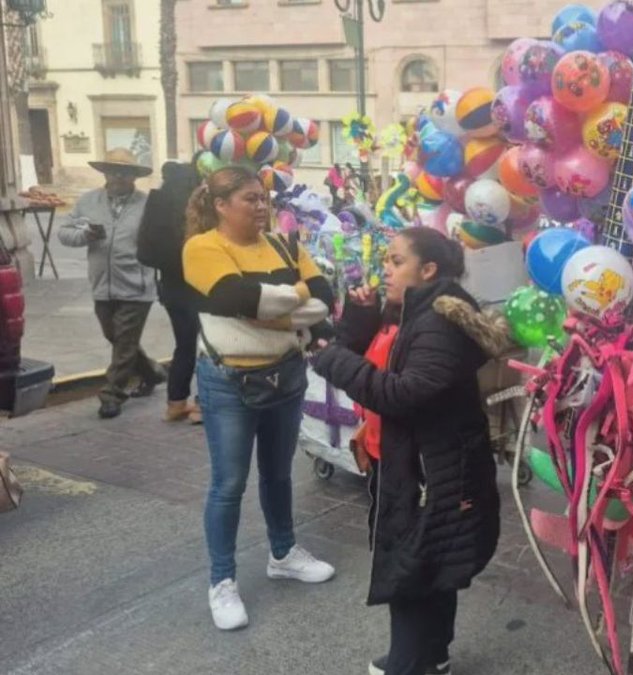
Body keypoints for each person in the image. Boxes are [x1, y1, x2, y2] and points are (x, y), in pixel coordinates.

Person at [312, 227, 506, 675]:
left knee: (413, 565)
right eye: (386, 260)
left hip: (427, 469)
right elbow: (372, 360)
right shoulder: (408, 313)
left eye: (397, 261)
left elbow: (404, 393)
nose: (386, 269)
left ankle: (409, 662)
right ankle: (430, 655)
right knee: (426, 562)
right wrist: (358, 324)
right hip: (404, 457)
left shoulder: (439, 321)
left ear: (428, 269)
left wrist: (336, 360)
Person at [182, 166, 337, 631]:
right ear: (220, 205)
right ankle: (222, 580)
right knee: (228, 484)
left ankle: (284, 552)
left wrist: (276, 310)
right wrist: (293, 303)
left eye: (264, 198)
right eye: (250, 199)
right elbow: (237, 296)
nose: (262, 206)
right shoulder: (202, 248)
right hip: (229, 382)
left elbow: (325, 298)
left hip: (286, 375)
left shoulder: (284, 244)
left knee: (278, 474)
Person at [58, 148, 165, 419]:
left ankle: (112, 394)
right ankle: (152, 372)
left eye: (125, 172)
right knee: (115, 337)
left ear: (134, 177)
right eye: (114, 171)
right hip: (102, 285)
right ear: (104, 173)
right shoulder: (88, 202)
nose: (119, 176)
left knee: (125, 342)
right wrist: (86, 234)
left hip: (137, 285)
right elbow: (64, 233)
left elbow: (159, 239)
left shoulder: (148, 204)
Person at [137, 157, 203, 423]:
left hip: (171, 287)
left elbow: (144, 249)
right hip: (201, 285)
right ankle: (201, 405)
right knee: (208, 346)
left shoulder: (159, 201)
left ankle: (175, 403)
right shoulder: (197, 201)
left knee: (184, 344)